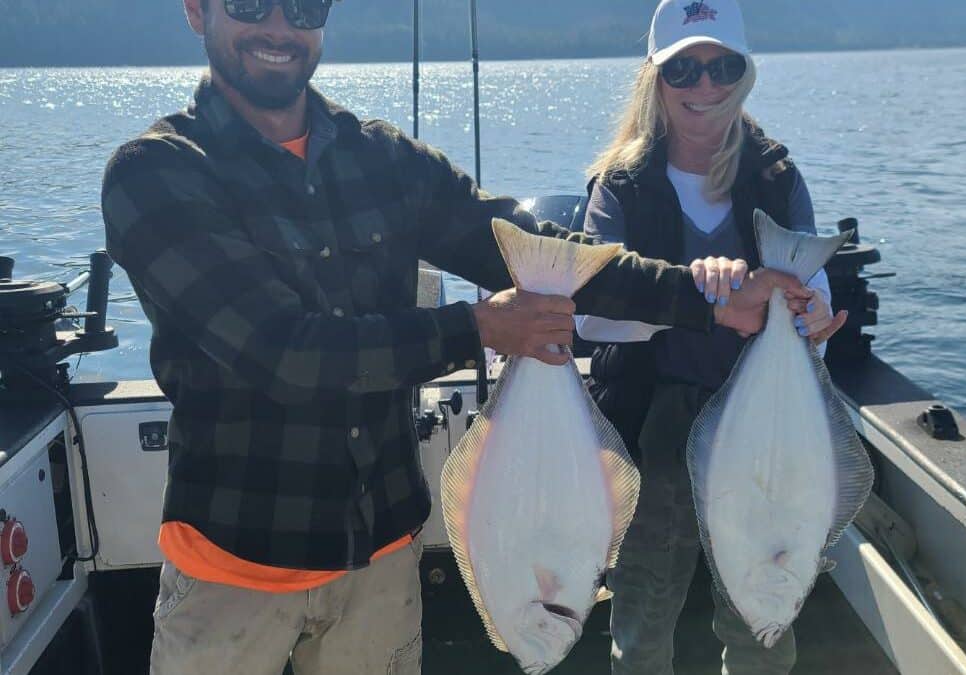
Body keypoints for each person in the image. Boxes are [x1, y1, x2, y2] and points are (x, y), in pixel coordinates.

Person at [100, 1, 813, 673]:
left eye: (305, 5)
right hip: (234, 566)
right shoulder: (157, 172)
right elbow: (282, 351)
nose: (280, 25)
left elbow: (526, 243)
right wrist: (477, 328)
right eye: (251, 4)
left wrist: (706, 298)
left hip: (380, 560)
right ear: (197, 9)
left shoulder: (379, 158)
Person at [577, 1, 848, 674]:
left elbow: (815, 283)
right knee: (643, 620)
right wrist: (697, 294)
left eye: (723, 67)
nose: (705, 87)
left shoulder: (778, 177)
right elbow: (588, 314)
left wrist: (814, 311)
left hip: (763, 428)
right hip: (649, 425)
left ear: (745, 74)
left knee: (762, 616)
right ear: (654, 77)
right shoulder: (622, 186)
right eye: (684, 69)